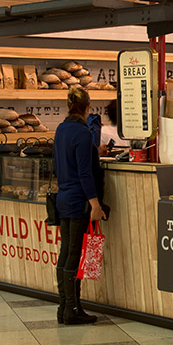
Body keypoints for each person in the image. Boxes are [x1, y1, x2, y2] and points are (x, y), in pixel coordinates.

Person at [52, 86, 104, 325]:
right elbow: (85, 172)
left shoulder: (61, 129)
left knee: (65, 254)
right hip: (78, 200)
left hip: (63, 198)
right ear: (88, 107)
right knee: (74, 255)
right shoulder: (83, 133)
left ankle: (65, 307)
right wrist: (95, 204)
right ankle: (72, 309)